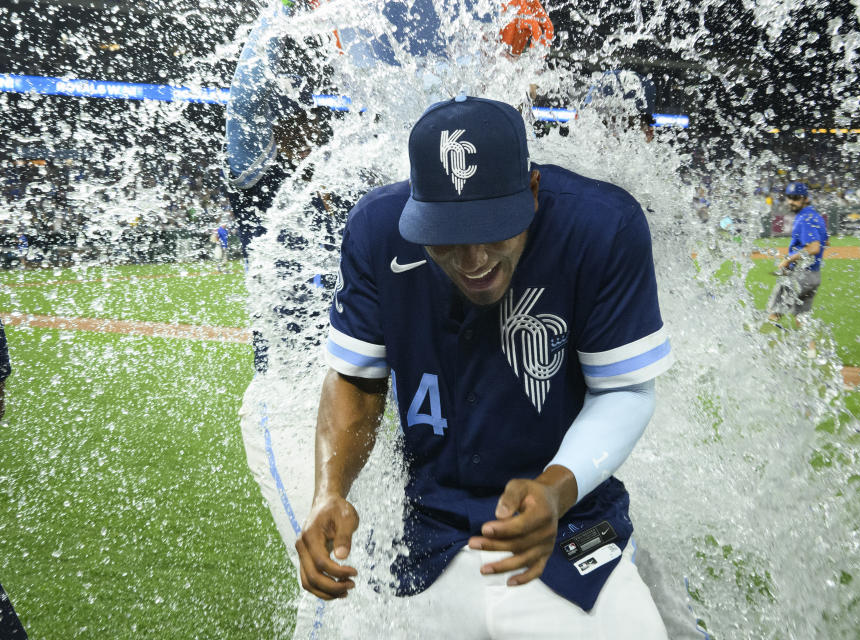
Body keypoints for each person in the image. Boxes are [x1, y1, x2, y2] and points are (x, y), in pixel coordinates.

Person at [296, 96, 677, 637]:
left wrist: (556, 487)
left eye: (494, 228)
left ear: (533, 191)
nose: (474, 261)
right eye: (447, 236)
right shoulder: (377, 230)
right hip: (429, 540)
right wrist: (329, 490)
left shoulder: (603, 226)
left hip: (571, 532)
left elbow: (624, 390)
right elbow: (357, 377)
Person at [767, 181, 828, 355]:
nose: (791, 202)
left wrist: (788, 260)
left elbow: (814, 248)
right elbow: (826, 241)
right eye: (789, 198)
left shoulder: (804, 218)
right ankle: (811, 352)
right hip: (814, 276)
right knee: (801, 316)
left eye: (796, 198)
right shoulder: (816, 216)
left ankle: (769, 350)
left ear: (805, 198)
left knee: (774, 314)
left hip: (799, 275)